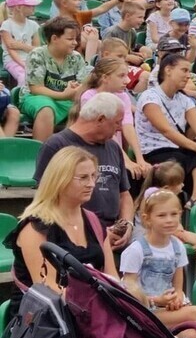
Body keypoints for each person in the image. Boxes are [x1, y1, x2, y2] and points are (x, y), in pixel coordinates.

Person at [8, 147, 129, 338]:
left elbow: (111, 276)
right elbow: (52, 289)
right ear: (61, 180)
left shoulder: (92, 219)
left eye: (93, 176)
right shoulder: (34, 228)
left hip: (91, 310)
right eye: (82, 177)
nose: (91, 183)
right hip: (48, 323)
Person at [34, 91, 135, 239]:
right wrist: (94, 232)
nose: (120, 128)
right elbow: (46, 198)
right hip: (73, 235)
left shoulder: (113, 146)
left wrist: (127, 224)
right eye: (117, 122)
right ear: (101, 119)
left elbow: (124, 195)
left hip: (114, 232)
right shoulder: (56, 145)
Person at [120, 189, 196, 337]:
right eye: (161, 215)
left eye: (174, 214)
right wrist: (157, 300)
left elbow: (178, 289)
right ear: (147, 219)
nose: (169, 220)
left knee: (191, 335)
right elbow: (130, 293)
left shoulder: (177, 247)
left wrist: (176, 300)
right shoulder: (136, 250)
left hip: (166, 311)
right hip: (143, 312)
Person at [135, 52, 196, 203]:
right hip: (155, 151)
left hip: (178, 148)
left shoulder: (184, 99)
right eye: (184, 70)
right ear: (168, 70)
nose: (188, 75)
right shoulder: (150, 97)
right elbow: (166, 130)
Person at [22, 17, 92, 142]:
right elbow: (36, 89)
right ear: (54, 39)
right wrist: (64, 94)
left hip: (66, 99)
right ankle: (41, 154)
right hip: (37, 97)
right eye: (70, 39)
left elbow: (83, 84)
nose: (75, 43)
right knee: (46, 109)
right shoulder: (37, 55)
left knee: (87, 107)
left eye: (76, 39)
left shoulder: (76, 58)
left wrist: (77, 89)